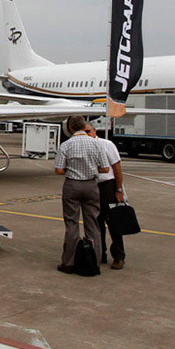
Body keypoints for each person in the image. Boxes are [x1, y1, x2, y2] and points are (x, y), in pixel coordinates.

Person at [54, 116, 110, 274]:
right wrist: (91, 169)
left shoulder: (66, 145)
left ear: (71, 128)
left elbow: (58, 170)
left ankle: (68, 262)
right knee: (92, 224)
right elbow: (105, 168)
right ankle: (95, 262)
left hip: (72, 184)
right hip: (91, 184)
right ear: (85, 127)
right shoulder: (96, 144)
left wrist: (71, 169)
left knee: (71, 224)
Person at [87, 125, 126, 270]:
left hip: (107, 185)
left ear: (94, 131)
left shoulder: (107, 145)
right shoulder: (85, 146)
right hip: (92, 185)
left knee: (113, 221)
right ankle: (100, 253)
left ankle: (119, 256)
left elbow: (117, 168)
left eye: (88, 131)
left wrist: (119, 189)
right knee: (97, 222)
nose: (86, 134)